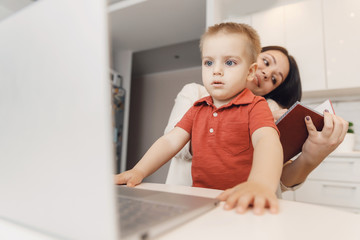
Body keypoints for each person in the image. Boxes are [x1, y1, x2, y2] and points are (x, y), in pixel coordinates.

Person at [115, 22, 284, 215]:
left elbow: (267, 141)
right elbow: (170, 141)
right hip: (200, 202)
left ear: (250, 71)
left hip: (241, 203)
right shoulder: (197, 107)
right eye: (209, 62)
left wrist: (259, 184)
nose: (216, 70)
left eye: (230, 62)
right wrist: (138, 171)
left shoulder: (256, 106)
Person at [164, 47, 348, 196]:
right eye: (266, 62)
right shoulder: (196, 93)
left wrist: (310, 158)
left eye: (275, 79)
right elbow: (175, 145)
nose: (267, 73)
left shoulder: (271, 109)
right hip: (191, 200)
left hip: (248, 209)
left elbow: (280, 182)